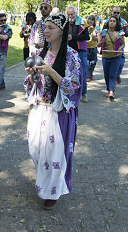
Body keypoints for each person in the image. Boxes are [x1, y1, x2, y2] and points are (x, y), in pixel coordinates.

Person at [24, 13, 81, 210]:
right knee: (36, 148)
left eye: (51, 28)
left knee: (55, 154)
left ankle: (53, 191)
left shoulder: (72, 56)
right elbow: (34, 84)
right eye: (45, 27)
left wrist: (53, 73)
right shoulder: (42, 54)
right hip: (39, 108)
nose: (46, 31)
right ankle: (46, 180)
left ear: (61, 31)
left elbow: (74, 86)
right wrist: (32, 76)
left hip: (58, 114)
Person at [97, 16, 125, 101]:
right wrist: (102, 41)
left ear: (116, 23)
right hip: (105, 57)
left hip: (116, 57)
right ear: (108, 23)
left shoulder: (120, 33)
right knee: (106, 75)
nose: (112, 23)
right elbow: (98, 45)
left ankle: (111, 91)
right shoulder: (102, 33)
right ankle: (109, 89)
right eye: (110, 21)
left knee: (112, 75)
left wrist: (120, 48)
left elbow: (123, 44)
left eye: (113, 21)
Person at [66, 6, 89, 103]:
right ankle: (71, 92)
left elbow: (87, 36)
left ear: (76, 13)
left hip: (80, 51)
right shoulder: (65, 23)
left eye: (72, 14)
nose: (70, 16)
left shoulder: (82, 22)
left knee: (82, 72)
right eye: (69, 14)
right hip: (69, 51)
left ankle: (84, 94)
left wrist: (72, 37)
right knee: (70, 72)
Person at [86, 15, 100, 81]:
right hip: (86, 47)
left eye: (92, 20)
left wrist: (95, 38)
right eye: (90, 19)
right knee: (87, 62)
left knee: (93, 62)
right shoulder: (85, 27)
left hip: (94, 47)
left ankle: (90, 73)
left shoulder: (96, 28)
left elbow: (99, 38)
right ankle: (88, 76)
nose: (91, 21)